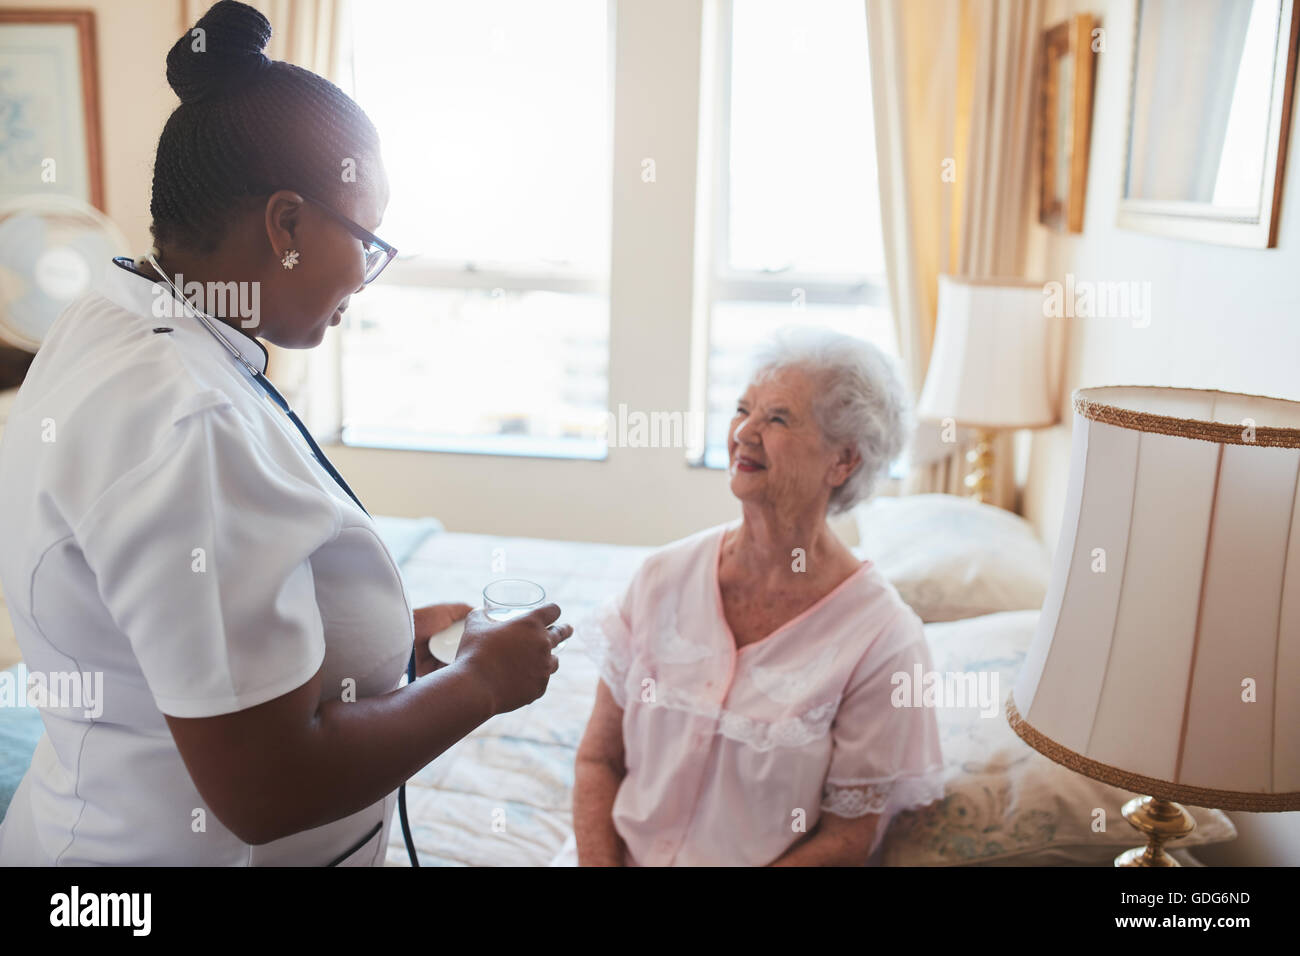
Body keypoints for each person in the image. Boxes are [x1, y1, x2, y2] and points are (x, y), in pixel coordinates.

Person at [0, 0, 570, 866]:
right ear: (288, 227)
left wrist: (381, 648)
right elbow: (269, 789)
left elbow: (175, 618)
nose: (369, 278)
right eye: (369, 243)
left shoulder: (117, 317)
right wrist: (481, 684)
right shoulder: (188, 422)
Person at [558, 327, 945, 866]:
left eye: (778, 418)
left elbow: (847, 838)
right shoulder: (662, 577)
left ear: (843, 461)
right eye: (743, 409)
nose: (745, 432)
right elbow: (599, 759)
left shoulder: (883, 640)